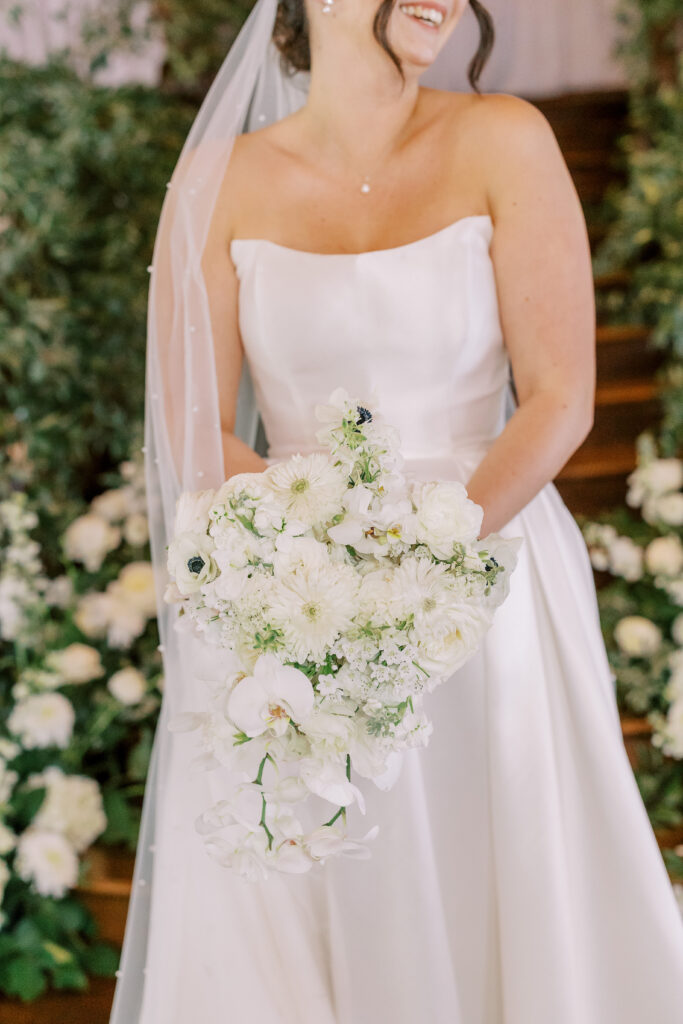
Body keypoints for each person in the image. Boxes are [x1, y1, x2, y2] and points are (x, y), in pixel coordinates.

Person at [110, 0, 683, 1021]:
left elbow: (558, 400)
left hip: (487, 581)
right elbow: (195, 431)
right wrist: (311, 571)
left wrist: (421, 560)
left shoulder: (502, 137)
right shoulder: (217, 183)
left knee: (500, 881)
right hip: (297, 601)